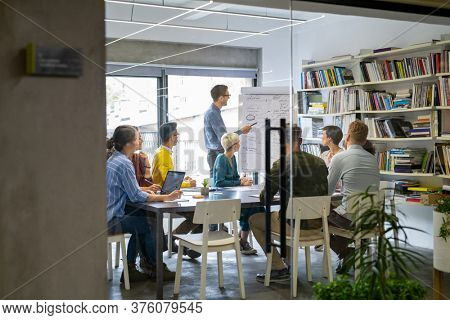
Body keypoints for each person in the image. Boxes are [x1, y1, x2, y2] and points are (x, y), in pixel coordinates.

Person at [249, 125, 328, 283]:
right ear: (300, 140)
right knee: (286, 214)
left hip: (294, 228)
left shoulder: (282, 163)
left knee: (254, 220)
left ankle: (279, 268)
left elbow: (265, 198)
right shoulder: (320, 162)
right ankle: (285, 264)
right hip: (319, 227)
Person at [106, 125, 181, 283]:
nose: (140, 140)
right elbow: (135, 196)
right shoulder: (125, 163)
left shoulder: (114, 159)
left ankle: (138, 267)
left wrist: (146, 189)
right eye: (137, 137)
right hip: (111, 220)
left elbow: (127, 188)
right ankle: (153, 267)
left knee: (144, 217)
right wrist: (166, 197)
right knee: (150, 223)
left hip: (106, 215)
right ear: (129, 143)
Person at [327, 120, 380, 273]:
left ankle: (346, 254)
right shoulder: (372, 159)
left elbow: (327, 191)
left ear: (347, 137)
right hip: (371, 218)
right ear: (365, 140)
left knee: (318, 219)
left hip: (351, 220)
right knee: (339, 213)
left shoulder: (340, 157)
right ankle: (357, 248)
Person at [151, 122, 201, 259]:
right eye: (176, 134)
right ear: (171, 136)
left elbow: (169, 177)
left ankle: (171, 240)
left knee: (197, 215)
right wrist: (188, 184)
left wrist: (184, 181)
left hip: (167, 196)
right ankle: (170, 240)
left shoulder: (164, 152)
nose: (178, 136)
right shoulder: (163, 154)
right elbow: (169, 183)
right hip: (164, 198)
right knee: (197, 215)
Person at [212, 133, 256, 255]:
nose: (240, 144)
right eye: (239, 143)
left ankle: (240, 239)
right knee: (248, 209)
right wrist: (240, 183)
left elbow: (235, 178)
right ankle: (242, 240)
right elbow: (219, 182)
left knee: (255, 207)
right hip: (222, 199)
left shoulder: (233, 158)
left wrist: (242, 180)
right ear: (235, 145)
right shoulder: (221, 158)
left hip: (233, 196)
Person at [204, 85, 252, 177]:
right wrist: (241, 131)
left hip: (215, 153)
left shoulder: (213, 112)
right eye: (227, 95)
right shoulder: (213, 113)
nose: (229, 98)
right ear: (221, 98)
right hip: (216, 153)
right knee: (219, 185)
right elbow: (225, 138)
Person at [130, 127, 160, 193]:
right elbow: (131, 189)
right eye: (139, 138)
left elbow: (148, 183)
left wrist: (146, 161)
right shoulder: (126, 162)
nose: (142, 141)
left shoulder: (138, 157)